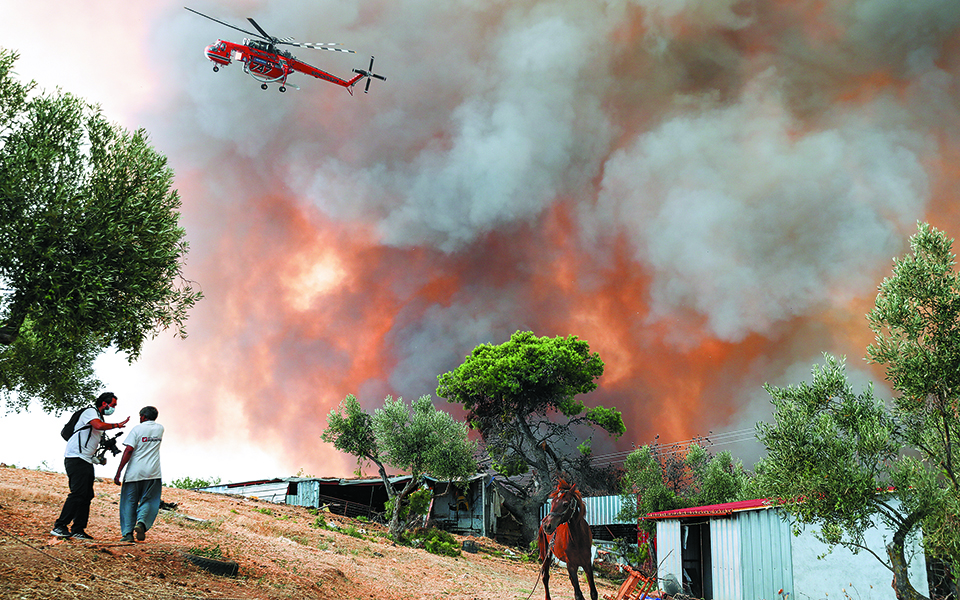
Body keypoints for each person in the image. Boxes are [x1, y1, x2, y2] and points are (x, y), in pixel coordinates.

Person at [51, 392, 130, 540]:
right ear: (104, 403)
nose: (113, 408)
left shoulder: (99, 417)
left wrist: (101, 454)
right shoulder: (90, 412)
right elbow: (98, 425)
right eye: (113, 405)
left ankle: (78, 529)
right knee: (78, 493)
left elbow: (93, 439)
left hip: (85, 459)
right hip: (76, 458)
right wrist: (117, 425)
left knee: (87, 495)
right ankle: (60, 526)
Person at [113, 406, 164, 543]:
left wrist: (119, 472)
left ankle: (128, 534)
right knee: (149, 500)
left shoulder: (137, 429)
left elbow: (129, 450)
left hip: (134, 473)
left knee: (129, 502)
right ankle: (141, 523)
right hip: (153, 472)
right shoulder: (160, 429)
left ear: (143, 416)